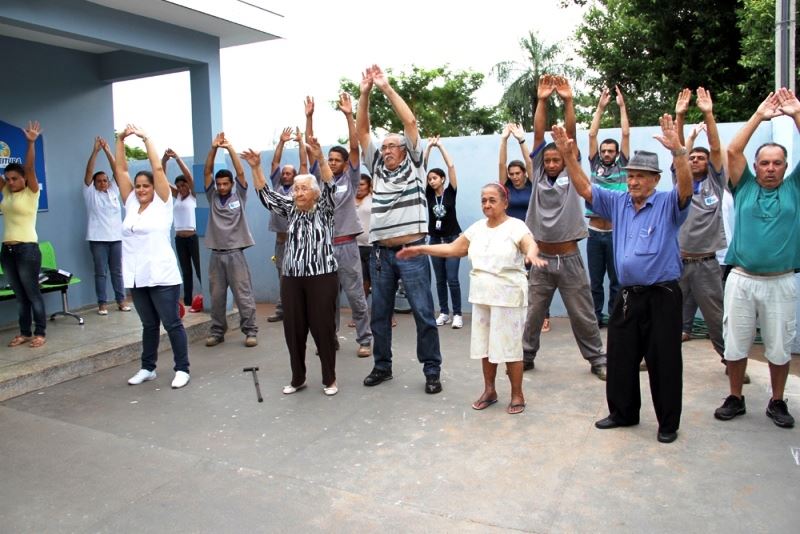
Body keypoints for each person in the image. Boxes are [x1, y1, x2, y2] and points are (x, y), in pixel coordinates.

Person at [552, 114, 693, 444]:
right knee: (620, 356)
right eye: (630, 176)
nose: (633, 182)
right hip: (629, 295)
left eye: (641, 177)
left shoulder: (668, 203)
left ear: (655, 180)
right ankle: (623, 413)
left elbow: (686, 188)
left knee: (665, 361)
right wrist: (569, 156)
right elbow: (585, 187)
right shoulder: (618, 202)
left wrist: (679, 153)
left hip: (663, 295)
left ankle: (668, 423)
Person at [398, 183, 547, 414]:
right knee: (485, 347)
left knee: (509, 348)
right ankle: (490, 391)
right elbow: (452, 249)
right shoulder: (477, 229)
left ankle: (517, 394)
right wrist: (421, 250)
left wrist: (532, 254)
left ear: (505, 203)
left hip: (507, 296)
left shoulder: (516, 226)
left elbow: (529, 244)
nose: (487, 204)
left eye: (492, 200)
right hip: (482, 295)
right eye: (483, 200)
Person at [714, 88, 800, 429]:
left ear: (785, 167)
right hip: (742, 279)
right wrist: (760, 115)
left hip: (780, 281)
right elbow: (732, 150)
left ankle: (777, 401)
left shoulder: (794, 188)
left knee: (779, 348)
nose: (769, 168)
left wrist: (795, 114)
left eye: (776, 163)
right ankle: (735, 396)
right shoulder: (744, 186)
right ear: (756, 166)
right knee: (735, 344)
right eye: (764, 162)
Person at [357, 64, 443, 394]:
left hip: (413, 252)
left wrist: (386, 88)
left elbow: (409, 122)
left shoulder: (416, 164)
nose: (386, 149)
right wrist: (365, 93)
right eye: (385, 146)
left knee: (423, 312)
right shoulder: (376, 166)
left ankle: (432, 370)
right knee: (380, 314)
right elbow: (362, 131)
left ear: (405, 149)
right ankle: (382, 366)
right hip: (381, 254)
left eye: (392, 145)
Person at [521, 74, 607, 380]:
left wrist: (569, 101)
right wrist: (542, 100)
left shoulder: (573, 173)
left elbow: (569, 137)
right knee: (532, 314)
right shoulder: (538, 175)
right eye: (550, 159)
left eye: (559, 158)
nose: (554, 162)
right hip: (541, 258)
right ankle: (525, 356)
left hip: (570, 258)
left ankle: (598, 359)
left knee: (582, 314)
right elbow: (537, 135)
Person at [247, 138, 339, 396]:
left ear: (314, 192)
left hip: (322, 276)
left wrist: (321, 158)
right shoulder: (290, 208)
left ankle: (329, 378)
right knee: (294, 330)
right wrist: (256, 168)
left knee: (323, 328)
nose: (297, 193)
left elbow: (331, 185)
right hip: (292, 278)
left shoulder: (325, 208)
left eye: (302, 189)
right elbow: (266, 196)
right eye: (295, 189)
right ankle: (298, 377)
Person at [115, 125, 190, 389]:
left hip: (162, 275)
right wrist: (120, 140)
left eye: (145, 185)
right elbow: (121, 171)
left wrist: (146, 139)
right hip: (137, 276)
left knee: (171, 323)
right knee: (148, 325)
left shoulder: (163, 203)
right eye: (138, 186)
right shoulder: (131, 203)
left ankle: (182, 369)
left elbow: (158, 169)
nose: (141, 189)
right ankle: (148, 368)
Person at [306, 93, 373, 357]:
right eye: (329, 158)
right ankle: (329, 338)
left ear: (346, 164)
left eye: (337, 159)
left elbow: (355, 147)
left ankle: (364, 339)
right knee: (326, 300)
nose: (332, 162)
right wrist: (309, 117)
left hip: (346, 246)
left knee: (356, 295)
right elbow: (310, 147)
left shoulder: (351, 179)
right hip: (323, 248)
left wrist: (349, 115)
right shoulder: (319, 181)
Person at [672, 88, 728, 370]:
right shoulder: (680, 183)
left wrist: (708, 113)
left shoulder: (715, 184)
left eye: (700, 158)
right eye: (691, 158)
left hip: (706, 264)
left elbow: (717, 150)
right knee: (667, 316)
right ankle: (656, 358)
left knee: (716, 317)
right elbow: (677, 148)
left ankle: (731, 361)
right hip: (677, 262)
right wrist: (680, 116)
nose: (695, 160)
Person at [203, 132, 259, 348]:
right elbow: (207, 171)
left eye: (225, 184)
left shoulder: (240, 196)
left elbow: (241, 172)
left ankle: (250, 331)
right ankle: (217, 332)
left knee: (243, 295)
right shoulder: (213, 197)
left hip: (236, 254)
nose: (222, 187)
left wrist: (229, 149)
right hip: (216, 255)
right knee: (216, 298)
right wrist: (214, 148)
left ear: (231, 184)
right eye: (219, 184)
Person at [499, 123, 551, 332]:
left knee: (536, 280)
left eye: (517, 173)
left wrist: (521, 140)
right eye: (511, 173)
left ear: (523, 173)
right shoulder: (506, 188)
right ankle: (515, 315)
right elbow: (501, 163)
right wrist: (503, 140)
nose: (514, 176)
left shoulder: (533, 185)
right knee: (513, 276)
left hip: (531, 237)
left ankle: (543, 317)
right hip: (511, 239)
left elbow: (532, 163)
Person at [1, 121, 47, 348]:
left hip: (27, 249)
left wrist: (30, 143)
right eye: (7, 179)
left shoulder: (31, 192)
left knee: (32, 293)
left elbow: (29, 167)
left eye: (14, 179)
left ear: (24, 180)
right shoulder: (6, 194)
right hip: (7, 250)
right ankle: (25, 332)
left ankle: (40, 332)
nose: (10, 182)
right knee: (20, 295)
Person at [586, 86, 629, 327]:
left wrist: (621, 107)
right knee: (594, 281)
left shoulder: (623, 165)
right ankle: (595, 317)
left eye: (610, 150)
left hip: (616, 232)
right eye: (604, 150)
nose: (606, 153)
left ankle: (614, 317)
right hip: (594, 233)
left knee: (616, 280)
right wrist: (600, 109)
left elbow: (625, 134)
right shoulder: (595, 166)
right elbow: (592, 135)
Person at [83, 136, 130, 316]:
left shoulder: (113, 191)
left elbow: (117, 171)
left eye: (105, 180)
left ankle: (121, 300)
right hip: (98, 240)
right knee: (101, 273)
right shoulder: (90, 194)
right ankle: (102, 303)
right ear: (94, 184)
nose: (103, 182)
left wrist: (108, 151)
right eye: (99, 181)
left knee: (117, 271)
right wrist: (95, 151)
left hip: (116, 239)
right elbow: (89, 172)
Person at [267, 126, 308, 323]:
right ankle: (282, 309)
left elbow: (303, 163)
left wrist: (301, 142)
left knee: (299, 276)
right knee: (282, 277)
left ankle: (300, 310)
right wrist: (281, 142)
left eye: (288, 173)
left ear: (294, 176)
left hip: (298, 242)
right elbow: (275, 162)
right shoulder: (275, 188)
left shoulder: (298, 188)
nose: (284, 175)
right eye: (283, 173)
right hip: (281, 243)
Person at [423, 136, 463, 329]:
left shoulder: (450, 192)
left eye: (435, 178)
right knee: (440, 280)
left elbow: (452, 166)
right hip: (435, 240)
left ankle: (457, 314)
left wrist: (440, 146)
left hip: (453, 240)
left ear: (442, 180)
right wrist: (428, 148)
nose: (431, 181)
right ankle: (444, 313)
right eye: (430, 179)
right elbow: (420, 167)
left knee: (452, 279)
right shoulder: (428, 195)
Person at [162, 148, 202, 312]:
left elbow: (191, 177)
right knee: (186, 272)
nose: (181, 188)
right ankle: (187, 302)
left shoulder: (193, 195)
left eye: (183, 185)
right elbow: (161, 180)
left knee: (199, 269)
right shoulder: (177, 196)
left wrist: (177, 158)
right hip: (180, 238)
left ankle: (208, 298)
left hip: (193, 237)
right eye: (178, 186)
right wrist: (164, 160)